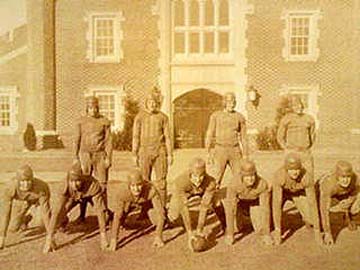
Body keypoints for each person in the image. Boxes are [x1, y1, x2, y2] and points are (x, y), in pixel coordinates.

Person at [43, 161, 108, 253]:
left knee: (106, 217)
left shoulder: (92, 184)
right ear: (68, 180)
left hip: (89, 196)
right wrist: (49, 238)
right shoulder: (63, 185)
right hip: (73, 198)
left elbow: (100, 211)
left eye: (77, 181)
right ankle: (64, 222)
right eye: (71, 181)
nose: (74, 184)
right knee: (60, 215)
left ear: (83, 180)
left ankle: (112, 218)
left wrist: (103, 237)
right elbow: (56, 211)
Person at [167, 157, 226, 250]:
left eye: (201, 176)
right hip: (186, 192)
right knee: (173, 215)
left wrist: (200, 229)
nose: (198, 179)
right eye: (195, 176)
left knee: (217, 201)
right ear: (190, 173)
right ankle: (169, 220)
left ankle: (225, 224)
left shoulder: (210, 182)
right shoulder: (180, 182)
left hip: (202, 192)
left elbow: (204, 206)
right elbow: (184, 208)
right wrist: (190, 233)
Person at [73, 96, 113, 223]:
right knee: (84, 183)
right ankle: (82, 214)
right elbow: (76, 140)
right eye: (90, 107)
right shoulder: (81, 121)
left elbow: (108, 141)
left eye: (95, 107)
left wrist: (109, 158)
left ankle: (105, 212)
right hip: (85, 154)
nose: (93, 110)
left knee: (102, 184)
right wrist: (75, 157)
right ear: (87, 108)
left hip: (100, 154)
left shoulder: (104, 121)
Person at [108, 169, 165, 251]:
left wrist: (158, 236)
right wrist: (113, 239)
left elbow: (160, 214)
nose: (136, 189)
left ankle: (146, 217)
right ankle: (123, 222)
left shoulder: (151, 190)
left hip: (146, 203)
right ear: (128, 186)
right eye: (133, 186)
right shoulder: (122, 192)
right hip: (129, 202)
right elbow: (117, 215)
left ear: (143, 184)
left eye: (139, 185)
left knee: (158, 218)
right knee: (122, 213)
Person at [132, 92, 173, 206]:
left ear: (158, 103)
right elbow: (135, 136)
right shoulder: (139, 117)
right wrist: (134, 154)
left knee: (161, 181)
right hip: (144, 151)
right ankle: (145, 208)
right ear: (146, 103)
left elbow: (168, 137)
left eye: (155, 102)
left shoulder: (163, 117)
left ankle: (162, 207)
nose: (152, 104)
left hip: (160, 150)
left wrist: (170, 154)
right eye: (150, 102)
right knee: (144, 180)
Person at [272, 153, 322, 245]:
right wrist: (277, 230)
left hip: (298, 194)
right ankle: (274, 224)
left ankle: (307, 220)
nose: (295, 172)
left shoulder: (306, 176)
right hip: (283, 194)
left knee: (311, 219)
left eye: (297, 169)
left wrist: (317, 231)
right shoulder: (279, 175)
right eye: (291, 170)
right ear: (286, 169)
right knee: (267, 222)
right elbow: (276, 203)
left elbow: (312, 203)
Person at [223, 160, 274, 246]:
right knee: (236, 228)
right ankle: (242, 218)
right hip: (240, 204)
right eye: (247, 176)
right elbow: (230, 209)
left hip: (254, 203)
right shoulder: (234, 183)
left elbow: (265, 208)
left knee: (260, 229)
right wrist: (230, 234)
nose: (250, 179)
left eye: (252, 175)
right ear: (242, 176)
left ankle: (252, 218)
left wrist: (267, 234)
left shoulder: (262, 183)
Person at [0, 165, 51, 249]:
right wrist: (1, 237)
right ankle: (25, 220)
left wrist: (50, 236)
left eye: (28, 181)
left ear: (32, 180)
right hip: (22, 202)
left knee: (40, 223)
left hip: (37, 202)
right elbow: (5, 213)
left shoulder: (41, 186)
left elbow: (45, 211)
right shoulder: (10, 187)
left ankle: (62, 220)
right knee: (13, 228)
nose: (26, 184)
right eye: (22, 181)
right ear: (17, 181)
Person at [205, 92, 248, 188]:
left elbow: (244, 138)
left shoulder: (240, 117)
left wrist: (245, 155)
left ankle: (240, 200)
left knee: (240, 175)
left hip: (235, 150)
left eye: (233, 101)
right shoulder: (216, 116)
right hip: (220, 150)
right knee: (216, 177)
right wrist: (207, 152)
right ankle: (212, 200)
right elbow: (209, 133)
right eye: (229, 101)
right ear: (224, 102)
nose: (231, 104)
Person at [318, 161, 360, 245]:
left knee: (356, 205)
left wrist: (350, 201)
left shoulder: (356, 179)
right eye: (343, 177)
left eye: (348, 177)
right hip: (321, 194)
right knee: (313, 220)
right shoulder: (328, 184)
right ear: (337, 177)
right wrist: (327, 233)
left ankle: (351, 218)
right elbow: (324, 209)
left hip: (343, 193)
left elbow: (356, 191)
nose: (346, 180)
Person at [277, 96, 316, 183]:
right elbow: (280, 136)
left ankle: (308, 193)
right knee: (288, 175)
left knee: (309, 174)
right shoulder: (286, 119)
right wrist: (286, 147)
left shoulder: (309, 119)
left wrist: (307, 146)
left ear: (303, 106)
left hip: (305, 152)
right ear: (292, 107)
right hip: (292, 151)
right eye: (295, 105)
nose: (299, 107)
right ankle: (289, 193)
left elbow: (312, 135)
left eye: (300, 105)